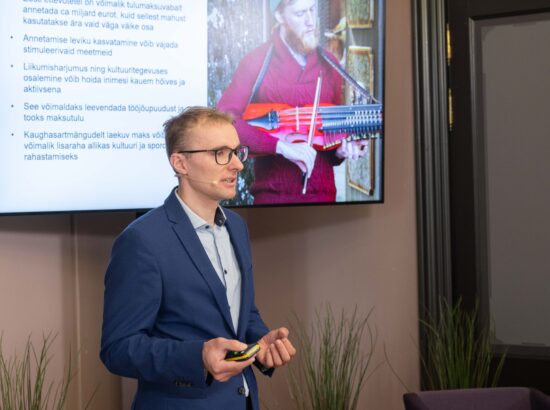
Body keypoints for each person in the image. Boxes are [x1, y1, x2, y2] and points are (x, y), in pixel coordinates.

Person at [100, 106, 296, 410]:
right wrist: (198, 357)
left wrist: (261, 343)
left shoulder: (237, 227)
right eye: (220, 153)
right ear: (181, 163)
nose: (237, 165)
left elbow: (240, 313)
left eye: (237, 152)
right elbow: (118, 348)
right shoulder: (142, 240)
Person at [218, 0, 368, 205]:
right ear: (279, 16)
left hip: (324, 201)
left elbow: (330, 149)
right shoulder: (256, 62)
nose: (311, 21)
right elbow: (224, 122)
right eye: (300, 13)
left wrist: (342, 150)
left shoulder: (330, 64)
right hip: (271, 201)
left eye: (312, 9)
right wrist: (281, 147)